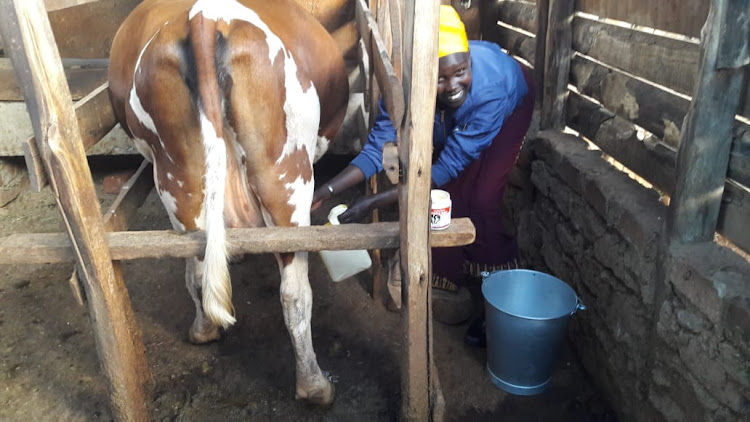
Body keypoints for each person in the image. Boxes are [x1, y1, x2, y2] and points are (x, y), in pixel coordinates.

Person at [312, 5, 534, 346]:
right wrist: (328, 188)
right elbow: (375, 151)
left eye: (461, 71)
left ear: (469, 62)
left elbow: (445, 166)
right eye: (440, 77)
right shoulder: (405, 89)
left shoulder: (490, 92)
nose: (452, 85)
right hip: (459, 119)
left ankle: (502, 294)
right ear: (421, 74)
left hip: (508, 108)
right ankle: (451, 274)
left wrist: (371, 201)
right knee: (452, 196)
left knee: (483, 198)